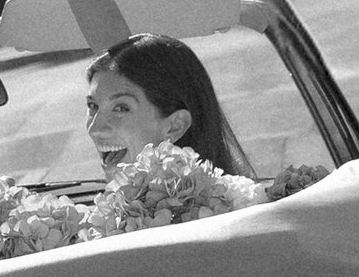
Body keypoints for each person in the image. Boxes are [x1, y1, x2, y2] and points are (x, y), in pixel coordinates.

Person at [84, 35, 258, 183]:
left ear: (175, 125)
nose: (95, 129)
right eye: (93, 106)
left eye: (121, 108)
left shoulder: (222, 212)